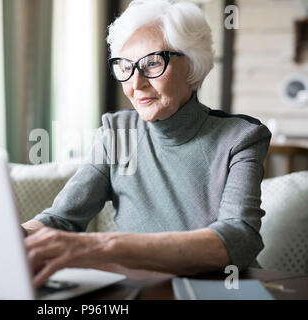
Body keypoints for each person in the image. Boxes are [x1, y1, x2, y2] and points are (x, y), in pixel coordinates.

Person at [22, 0, 272, 288]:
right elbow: (61, 219)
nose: (135, 83)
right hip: (145, 290)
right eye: (125, 66)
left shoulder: (240, 138)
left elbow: (238, 237)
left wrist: (102, 246)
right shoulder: (116, 133)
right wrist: (9, 237)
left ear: (192, 65)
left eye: (152, 63)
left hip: (223, 290)